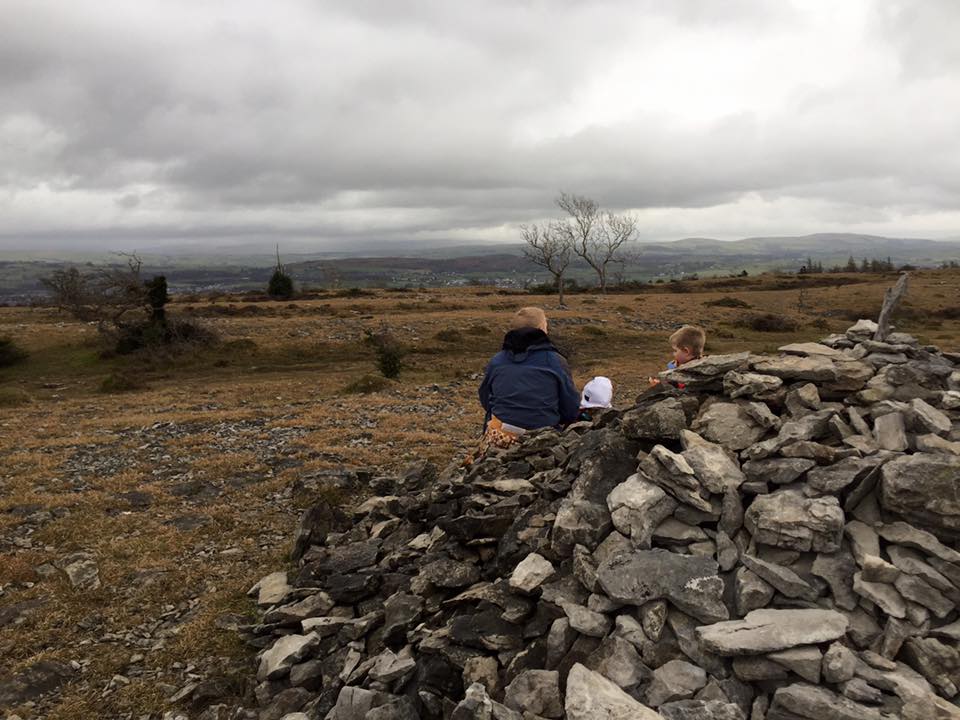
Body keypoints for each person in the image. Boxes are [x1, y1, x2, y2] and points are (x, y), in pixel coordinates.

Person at [475, 307, 580, 455]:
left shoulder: (497, 361)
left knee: (492, 416)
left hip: (500, 437)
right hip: (543, 437)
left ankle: (488, 454)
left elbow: (485, 398)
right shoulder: (555, 361)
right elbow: (570, 408)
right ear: (542, 330)